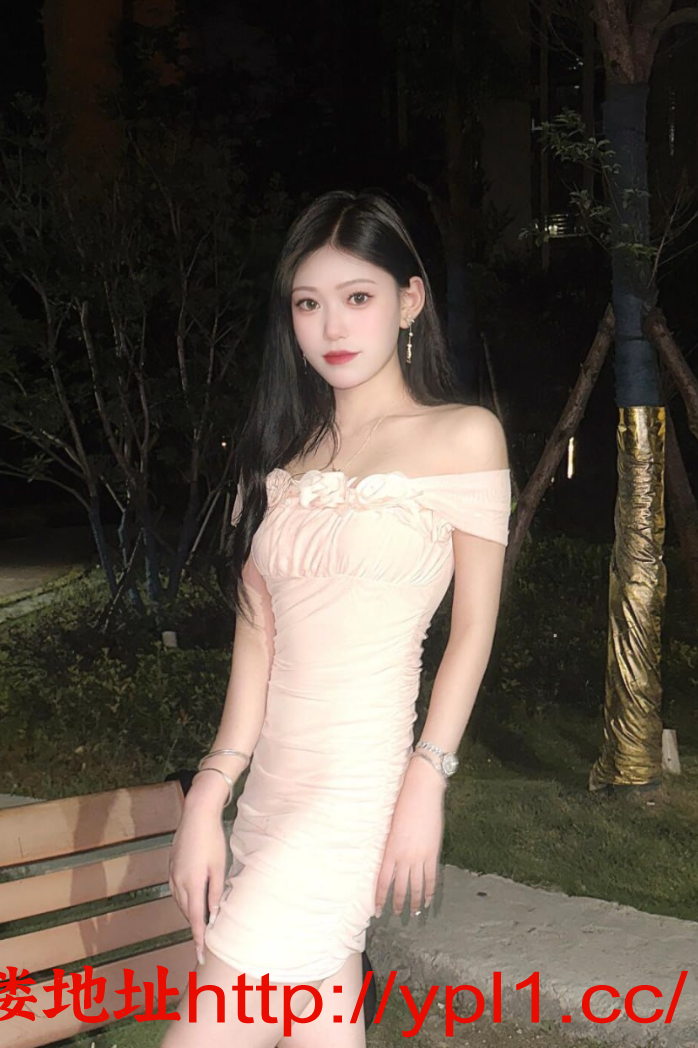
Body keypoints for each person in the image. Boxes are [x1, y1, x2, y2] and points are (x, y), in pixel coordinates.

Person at [161, 189, 511, 1047]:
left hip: (355, 791)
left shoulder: (462, 437)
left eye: (358, 296)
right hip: (273, 791)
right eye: (308, 303)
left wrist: (427, 778)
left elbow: (472, 630)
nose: (333, 326)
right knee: (319, 1012)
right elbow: (258, 638)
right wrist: (210, 793)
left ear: (409, 301)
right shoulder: (277, 453)